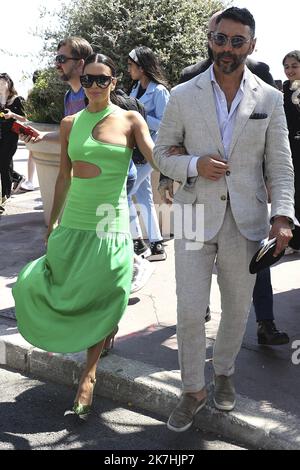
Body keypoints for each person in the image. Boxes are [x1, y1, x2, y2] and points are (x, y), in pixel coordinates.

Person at [154, 7, 295, 432]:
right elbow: (162, 155)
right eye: (220, 39)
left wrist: (283, 216)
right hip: (195, 215)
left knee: (236, 310)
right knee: (191, 308)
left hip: (247, 219)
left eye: (237, 41)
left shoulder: (269, 98)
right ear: (210, 38)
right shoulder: (182, 94)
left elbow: (281, 165)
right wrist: (195, 164)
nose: (227, 48)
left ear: (252, 45)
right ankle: (193, 389)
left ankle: (225, 373)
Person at [13, 52, 156, 419]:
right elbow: (64, 176)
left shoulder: (129, 119)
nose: (94, 86)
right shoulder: (68, 123)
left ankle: (88, 376)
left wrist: (186, 168)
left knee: (106, 288)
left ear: (113, 83)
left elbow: (156, 158)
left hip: (109, 222)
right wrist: (52, 223)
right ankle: (102, 332)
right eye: (89, 79)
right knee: (55, 287)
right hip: (74, 219)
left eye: (102, 80)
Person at [128, 46, 169, 261]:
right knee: (144, 196)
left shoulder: (160, 91)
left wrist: (139, 117)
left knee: (123, 193)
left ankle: (137, 242)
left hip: (151, 152)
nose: (129, 69)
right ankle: (156, 245)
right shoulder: (134, 89)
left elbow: (166, 124)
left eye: (131, 65)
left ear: (142, 67)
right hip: (137, 151)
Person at [0, 73, 27, 212]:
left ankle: (4, 197)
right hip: (0, 135)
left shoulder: (17, 100)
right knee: (4, 164)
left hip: (10, 136)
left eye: (2, 83)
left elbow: (25, 118)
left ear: (9, 83)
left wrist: (12, 115)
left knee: (4, 164)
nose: (0, 85)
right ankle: (17, 178)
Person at [282, 50, 300, 253]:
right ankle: (295, 242)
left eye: (294, 66)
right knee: (293, 195)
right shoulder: (283, 90)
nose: (289, 70)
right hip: (289, 151)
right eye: (287, 66)